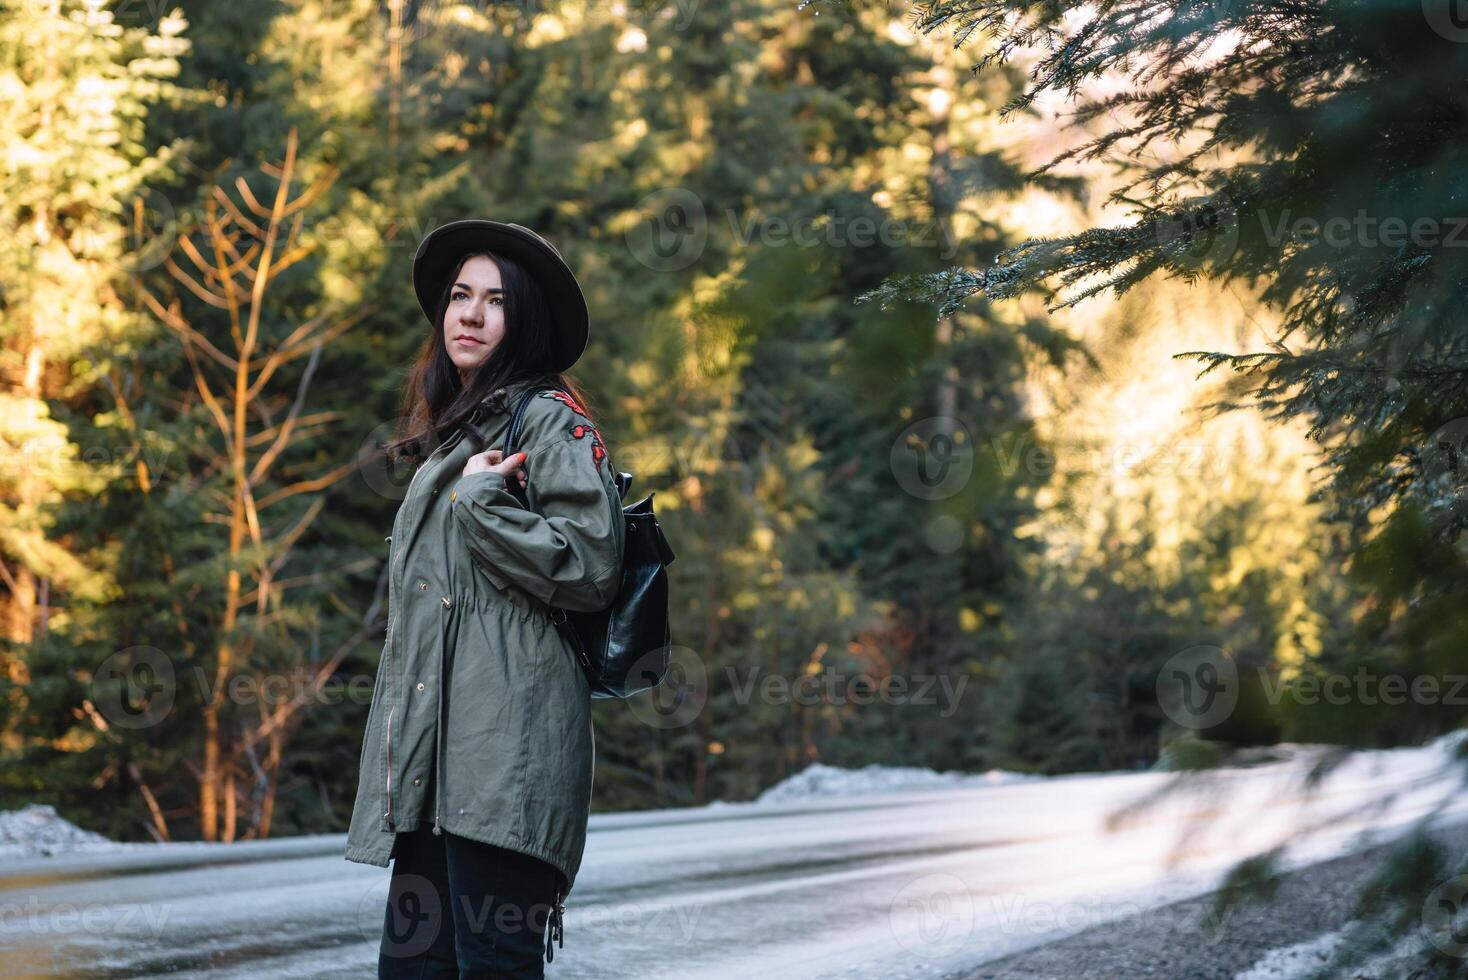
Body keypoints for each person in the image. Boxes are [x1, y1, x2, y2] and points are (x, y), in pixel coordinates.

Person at [344, 220, 626, 978]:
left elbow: (592, 566)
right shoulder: (457, 431)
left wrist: (484, 507)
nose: (468, 314)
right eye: (460, 296)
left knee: (492, 967)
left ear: (524, 319)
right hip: (436, 769)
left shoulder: (550, 421)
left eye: (494, 301)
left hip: (508, 765)